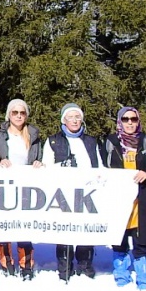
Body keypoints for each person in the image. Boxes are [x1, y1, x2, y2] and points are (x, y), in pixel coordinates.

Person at [100, 107, 146, 290]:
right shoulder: (110, 142)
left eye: (133, 119)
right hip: (118, 201)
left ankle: (144, 279)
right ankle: (121, 275)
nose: (130, 123)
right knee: (119, 240)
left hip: (142, 200)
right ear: (119, 121)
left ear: (138, 121)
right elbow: (100, 169)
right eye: (125, 119)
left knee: (142, 242)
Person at [42, 103, 102, 280]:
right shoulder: (53, 140)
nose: (74, 121)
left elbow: (99, 165)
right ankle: (64, 267)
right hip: (63, 193)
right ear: (63, 120)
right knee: (64, 229)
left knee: (85, 228)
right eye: (70, 117)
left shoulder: (91, 141)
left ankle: (85, 264)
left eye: (77, 117)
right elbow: (46, 167)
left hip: (87, 192)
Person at [0, 98, 43, 278]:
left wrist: (38, 163)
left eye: (22, 112)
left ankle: (26, 266)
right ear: (9, 115)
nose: (19, 116)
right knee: (3, 226)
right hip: (3, 186)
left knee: (24, 227)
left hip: (27, 187)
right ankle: (7, 265)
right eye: (15, 112)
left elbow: (40, 157)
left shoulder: (33, 136)